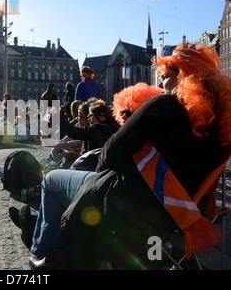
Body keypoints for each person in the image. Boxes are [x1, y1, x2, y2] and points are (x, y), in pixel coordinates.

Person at [19, 44, 231, 269]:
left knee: (52, 181)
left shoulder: (164, 106)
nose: (160, 84)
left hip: (130, 202)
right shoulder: (221, 128)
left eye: (166, 77)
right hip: (178, 214)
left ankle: (45, 257)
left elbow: (109, 155)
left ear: (185, 77)